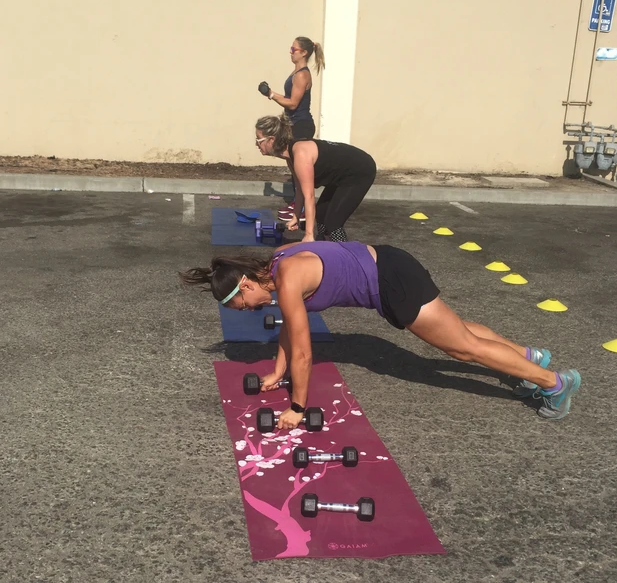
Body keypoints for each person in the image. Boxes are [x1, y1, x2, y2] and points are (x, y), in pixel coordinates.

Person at [180, 241, 582, 427]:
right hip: (388, 263)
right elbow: (290, 332)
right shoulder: (279, 259)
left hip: (391, 283)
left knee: (464, 349)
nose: (249, 311)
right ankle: (530, 358)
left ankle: (554, 383)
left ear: (247, 285)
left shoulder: (287, 282)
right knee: (458, 330)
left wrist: (297, 408)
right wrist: (277, 371)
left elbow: (303, 351)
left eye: (243, 305)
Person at [254, 115, 376, 242]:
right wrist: (296, 217)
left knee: (333, 222)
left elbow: (309, 196)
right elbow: (300, 189)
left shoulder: (300, 153)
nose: (256, 144)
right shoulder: (290, 155)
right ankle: (323, 245)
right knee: (321, 214)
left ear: (271, 140)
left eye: (258, 139)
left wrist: (308, 234)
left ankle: (343, 251)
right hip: (342, 175)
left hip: (360, 171)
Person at [257, 36, 325, 222]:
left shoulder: (302, 75)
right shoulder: (296, 72)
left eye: (294, 49)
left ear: (304, 53)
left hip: (301, 125)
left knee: (298, 167)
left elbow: (293, 103)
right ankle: (298, 204)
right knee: (292, 165)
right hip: (292, 124)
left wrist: (271, 94)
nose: (290, 52)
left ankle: (302, 209)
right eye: (291, 48)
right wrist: (270, 94)